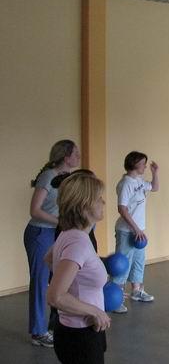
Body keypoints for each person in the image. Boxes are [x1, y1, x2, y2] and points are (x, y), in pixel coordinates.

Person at [47, 172, 111, 364]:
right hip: (80, 335)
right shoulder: (78, 242)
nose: (103, 202)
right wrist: (96, 311)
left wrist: (84, 275)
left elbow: (49, 258)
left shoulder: (69, 234)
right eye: (98, 199)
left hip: (78, 330)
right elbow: (55, 297)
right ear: (84, 206)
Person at [24, 140, 80, 347]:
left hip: (56, 233)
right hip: (40, 233)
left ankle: (55, 325)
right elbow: (35, 210)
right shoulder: (48, 176)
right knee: (40, 282)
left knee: (60, 280)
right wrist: (60, 222)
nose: (79, 157)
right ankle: (38, 332)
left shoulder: (68, 177)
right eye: (76, 154)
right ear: (66, 157)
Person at [111, 151, 160, 312]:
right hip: (127, 231)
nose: (145, 166)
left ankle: (137, 291)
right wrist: (135, 229)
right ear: (134, 164)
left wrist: (155, 173)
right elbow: (122, 209)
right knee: (122, 265)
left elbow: (155, 187)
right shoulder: (126, 184)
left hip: (139, 231)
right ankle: (116, 299)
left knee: (139, 261)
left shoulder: (138, 180)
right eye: (143, 164)